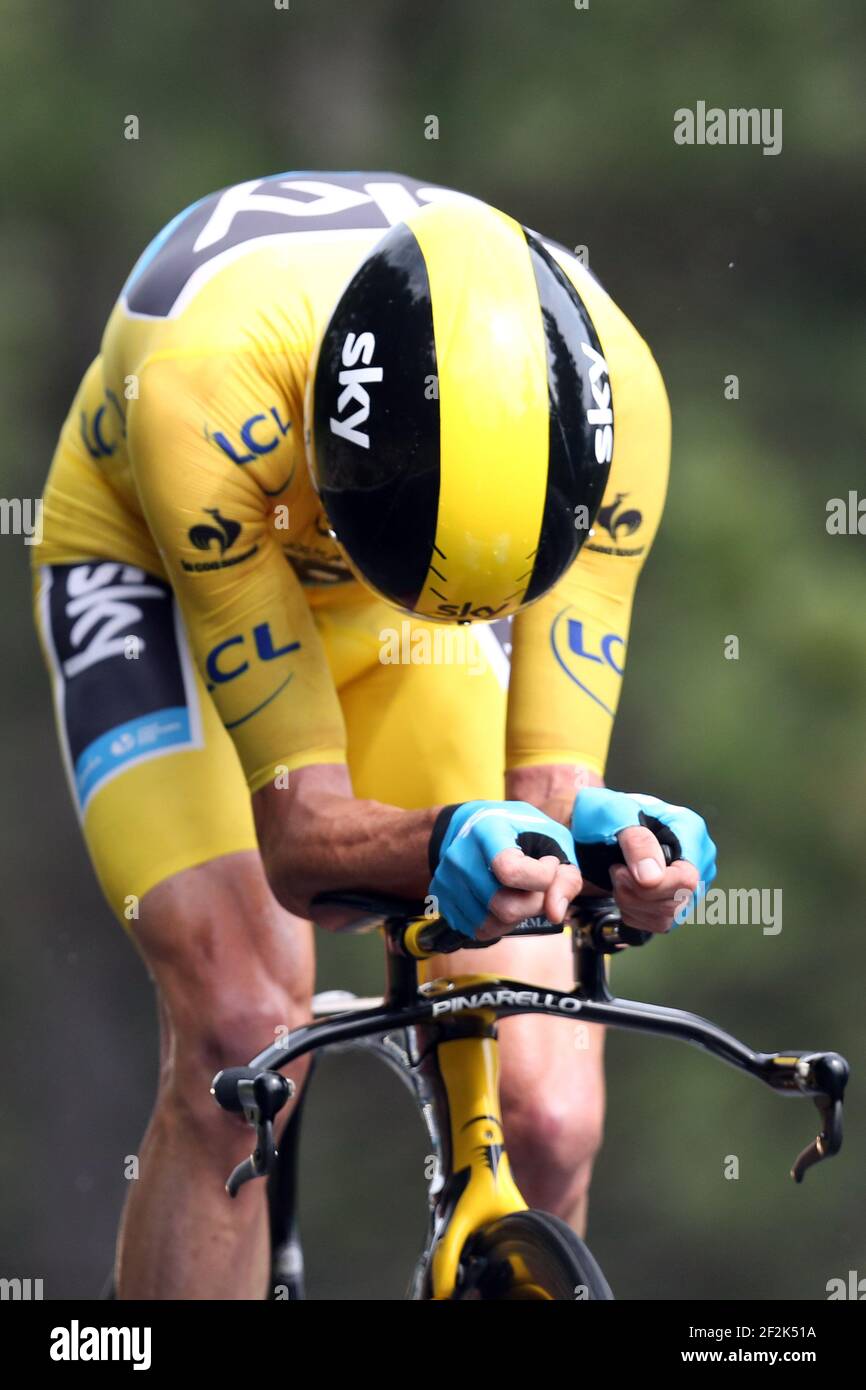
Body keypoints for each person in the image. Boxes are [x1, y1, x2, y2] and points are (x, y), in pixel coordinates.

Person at [32, 171, 714, 1299]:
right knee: (242, 1029)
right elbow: (298, 844)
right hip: (158, 562)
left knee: (546, 1114)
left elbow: (547, 799)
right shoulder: (202, 390)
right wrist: (443, 833)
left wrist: (613, 857)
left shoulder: (621, 402)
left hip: (416, 598)